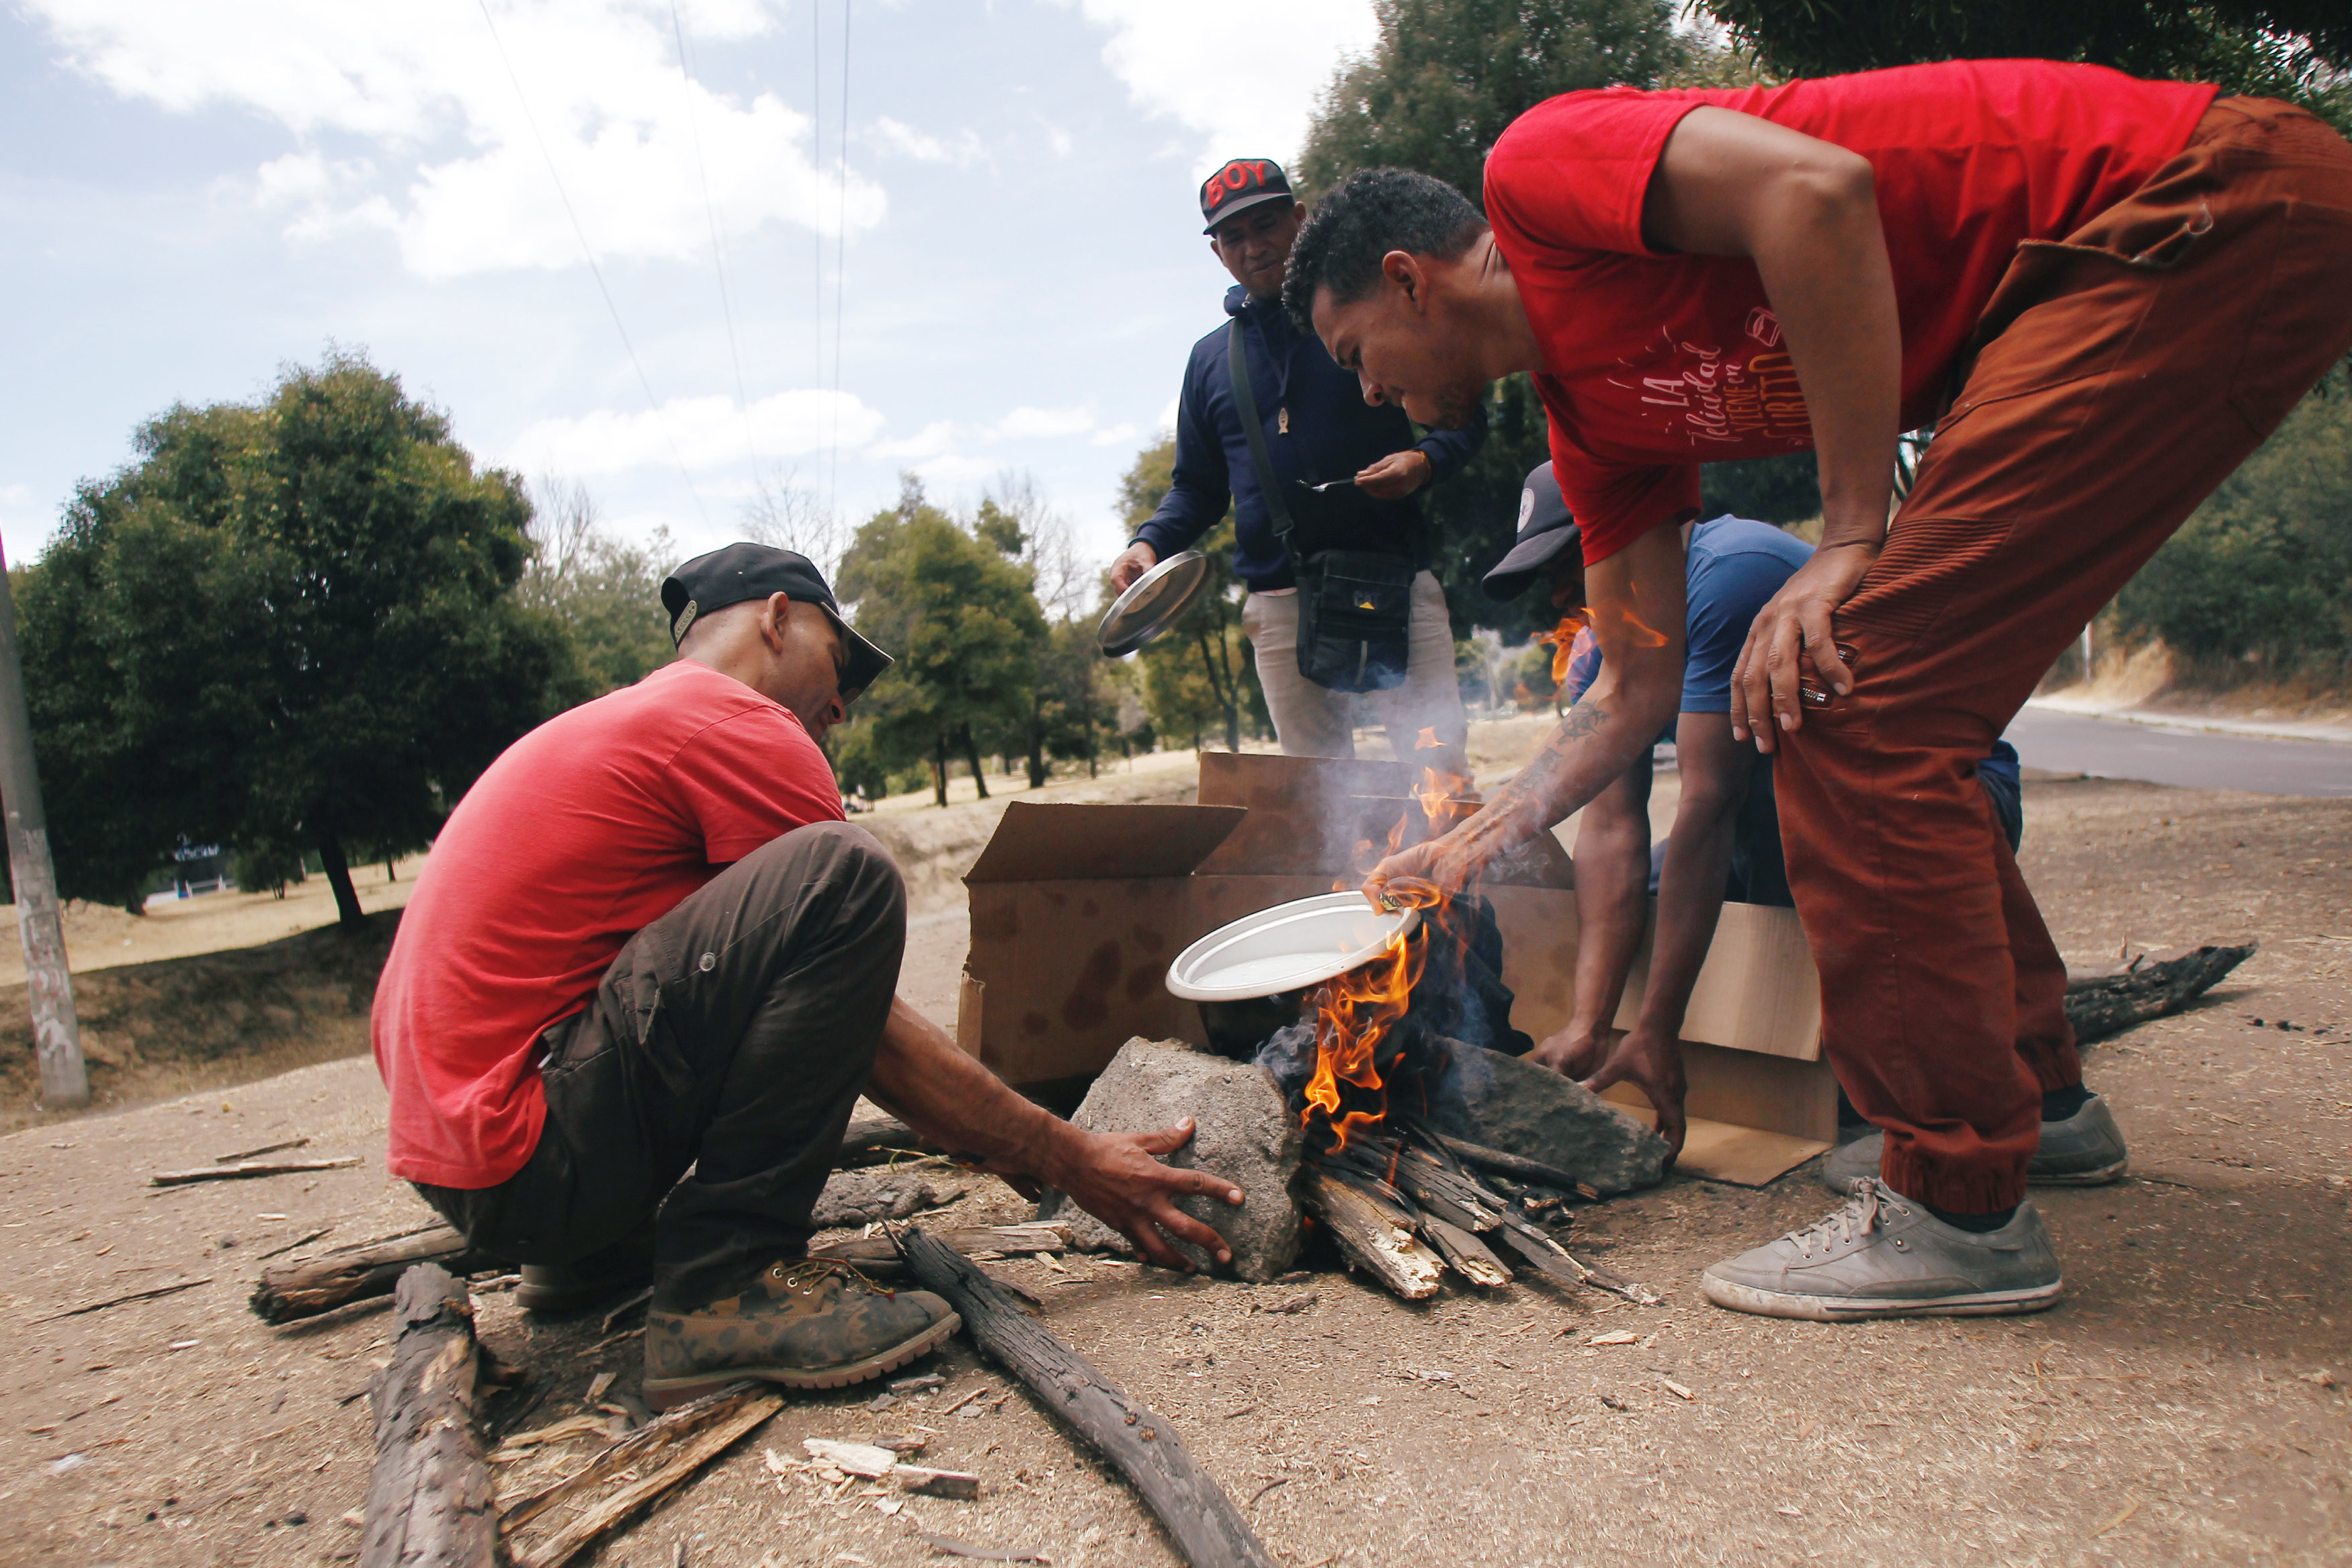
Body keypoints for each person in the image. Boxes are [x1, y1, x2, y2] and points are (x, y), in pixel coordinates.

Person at [1284, 62, 2352, 1319]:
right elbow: (1629, 694)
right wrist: (1486, 829)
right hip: (2109, 275)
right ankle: (2040, 1098)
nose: (1368, 394)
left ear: (1410, 277)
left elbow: (1818, 188)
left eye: (1360, 354)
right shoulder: (1597, 430)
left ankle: (1958, 1206)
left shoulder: (1539, 170)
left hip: (2178, 202)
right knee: (1872, 701)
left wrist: (1852, 534)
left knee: (1854, 700)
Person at [374, 544, 1246, 1408]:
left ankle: (589, 1252)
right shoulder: (732, 721)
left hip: (475, 1172)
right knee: (844, 875)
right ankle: (727, 1284)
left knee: (755, 918)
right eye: (838, 663)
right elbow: (875, 1037)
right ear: (778, 617)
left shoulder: (629, 726)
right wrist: (1071, 1159)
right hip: (536, 1146)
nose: (839, 706)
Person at [1484, 464, 2042, 1170]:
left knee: (1758, 799)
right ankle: (1794, 1044)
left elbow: (1706, 805)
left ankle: (1921, 1073)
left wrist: (1658, 1023)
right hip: (1782, 823)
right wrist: (1587, 1024)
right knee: (1649, 902)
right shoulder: (1600, 649)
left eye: (1572, 562)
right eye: (1551, 579)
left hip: (1936, 806)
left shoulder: (1730, 574)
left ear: (1643, 530)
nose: (1565, 593)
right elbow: (1610, 828)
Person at [1111, 157, 1484, 769]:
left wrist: (1422, 460)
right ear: (1218, 253)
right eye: (1235, 237)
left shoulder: (1369, 308)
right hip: (1282, 605)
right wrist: (1149, 544)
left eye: (1267, 225)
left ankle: (1450, 866)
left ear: (1302, 220)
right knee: (1315, 801)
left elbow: (1466, 416)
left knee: (1440, 776)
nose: (1255, 247)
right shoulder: (1210, 361)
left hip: (1394, 582)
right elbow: (1196, 488)